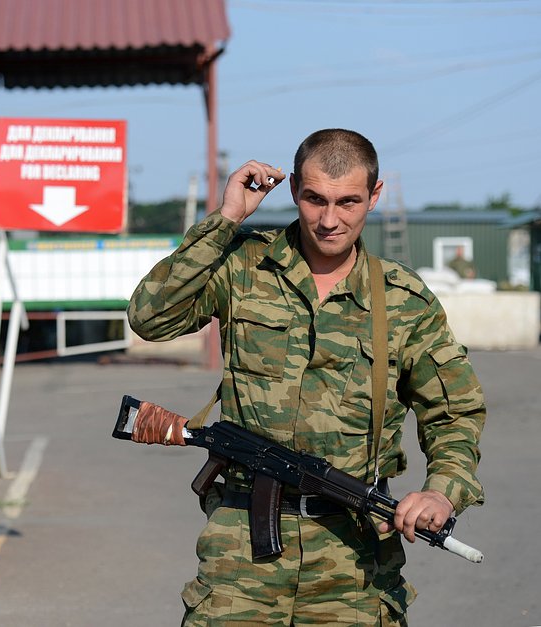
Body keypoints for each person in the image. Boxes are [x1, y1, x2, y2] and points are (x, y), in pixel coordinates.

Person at [127, 129, 485, 626]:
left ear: (374, 196)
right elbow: (150, 317)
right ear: (294, 188)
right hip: (241, 556)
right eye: (315, 199)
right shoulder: (244, 266)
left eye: (348, 201)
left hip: (354, 561)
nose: (330, 219)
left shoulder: (403, 300)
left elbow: (454, 412)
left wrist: (443, 489)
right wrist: (227, 219)